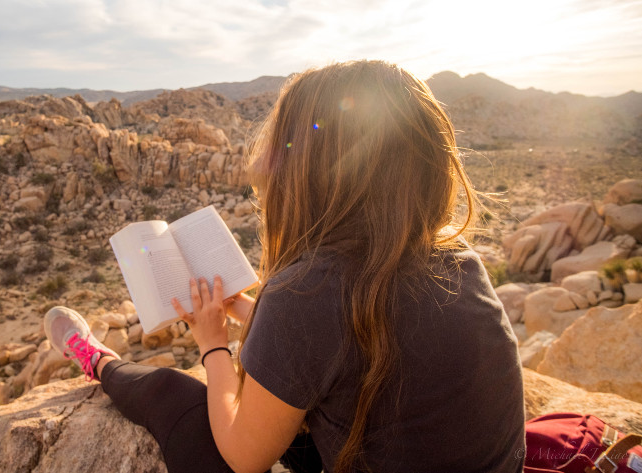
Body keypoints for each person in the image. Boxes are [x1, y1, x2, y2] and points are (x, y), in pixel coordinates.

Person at [44, 60, 525, 473]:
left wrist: (213, 344)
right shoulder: (460, 265)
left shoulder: (309, 291)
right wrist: (253, 314)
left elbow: (243, 456)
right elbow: (354, 346)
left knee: (174, 394)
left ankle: (95, 359)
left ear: (311, 174)